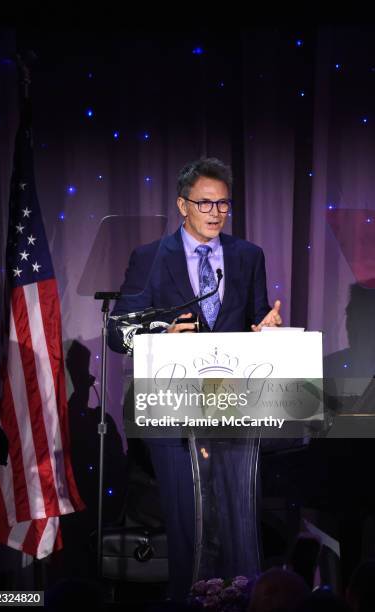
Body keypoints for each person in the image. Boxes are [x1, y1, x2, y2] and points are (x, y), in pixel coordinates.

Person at [108, 157, 282, 601]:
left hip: (234, 411)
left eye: (224, 203)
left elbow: (256, 320)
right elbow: (117, 332)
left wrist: (268, 330)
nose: (216, 213)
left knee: (238, 524)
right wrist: (158, 334)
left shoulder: (247, 256)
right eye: (205, 203)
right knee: (189, 528)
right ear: (182, 205)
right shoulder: (150, 258)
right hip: (173, 413)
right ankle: (188, 601)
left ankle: (241, 601)